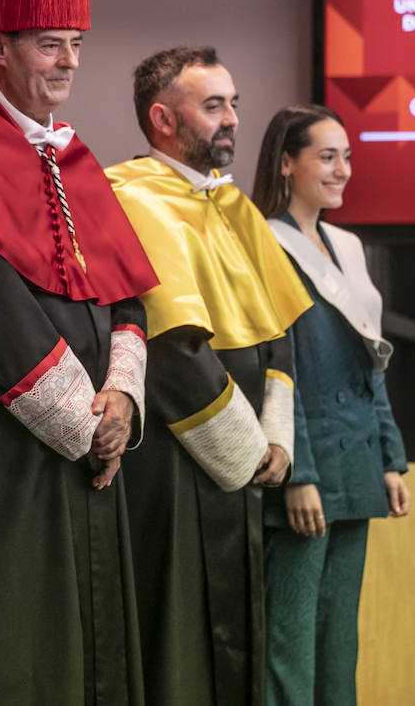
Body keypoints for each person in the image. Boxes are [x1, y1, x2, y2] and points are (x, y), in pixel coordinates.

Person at [0, 0, 159, 705]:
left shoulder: (75, 154)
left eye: (76, 44)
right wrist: (83, 423)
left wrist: (120, 399)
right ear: (0, 46)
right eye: (50, 43)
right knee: (16, 638)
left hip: (91, 441)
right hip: (7, 447)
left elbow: (125, 290)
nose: (68, 62)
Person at [105, 46, 312, 705]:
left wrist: (276, 435)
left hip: (243, 461)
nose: (232, 120)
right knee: (182, 641)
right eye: (214, 105)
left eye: (234, 105)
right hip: (176, 460)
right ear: (163, 118)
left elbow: (277, 330)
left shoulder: (231, 203)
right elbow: (172, 346)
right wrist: (248, 452)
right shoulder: (131, 195)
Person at [251, 104, 411, 706]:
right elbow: (278, 370)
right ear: (286, 163)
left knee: (340, 642)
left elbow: (372, 366)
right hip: (307, 471)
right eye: (327, 156)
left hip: (356, 464)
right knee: (289, 645)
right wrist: (300, 475)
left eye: (347, 156)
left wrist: (390, 459)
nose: (342, 169)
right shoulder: (264, 242)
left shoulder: (348, 246)